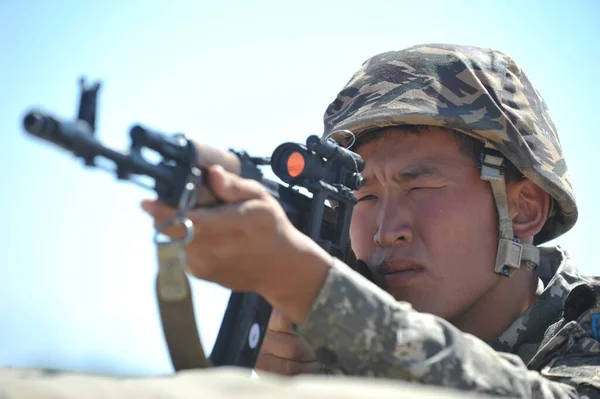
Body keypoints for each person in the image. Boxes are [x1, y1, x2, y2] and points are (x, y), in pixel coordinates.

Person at [140, 43, 600, 398]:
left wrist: (307, 285)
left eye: (419, 187)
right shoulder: (341, 349)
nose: (386, 230)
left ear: (522, 209)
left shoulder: (587, 322)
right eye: (364, 196)